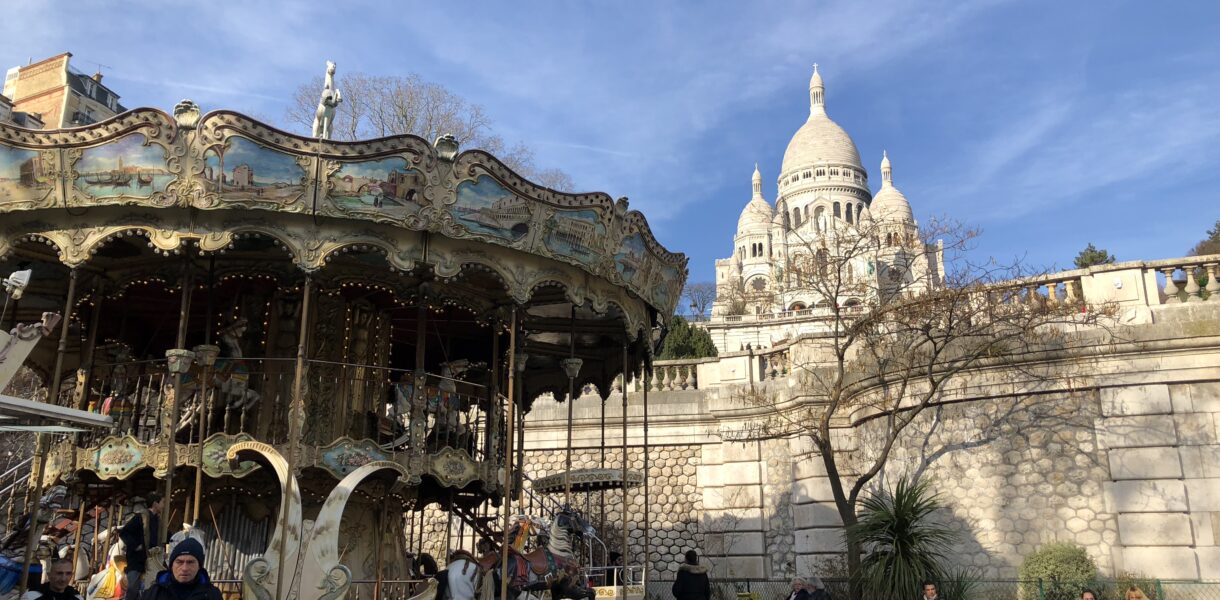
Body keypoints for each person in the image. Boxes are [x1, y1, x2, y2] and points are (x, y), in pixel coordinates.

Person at [138, 538, 221, 600]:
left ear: (199, 566)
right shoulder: (153, 594)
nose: (184, 568)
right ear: (171, 566)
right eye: (179, 562)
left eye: (190, 562)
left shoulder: (212, 595)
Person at [119, 493, 163, 600]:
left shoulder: (159, 521)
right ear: (155, 504)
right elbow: (124, 532)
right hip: (137, 559)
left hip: (153, 558)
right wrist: (136, 545)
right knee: (133, 587)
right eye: (162, 503)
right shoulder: (140, 518)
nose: (163, 505)